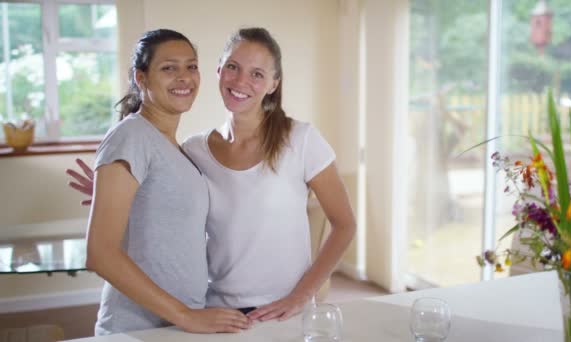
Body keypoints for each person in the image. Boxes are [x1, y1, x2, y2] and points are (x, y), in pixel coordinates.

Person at [68, 27, 356, 323]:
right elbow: (165, 207)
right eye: (233, 67)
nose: (241, 81)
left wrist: (301, 296)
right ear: (219, 70)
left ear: (273, 84)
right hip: (218, 310)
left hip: (282, 310)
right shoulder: (194, 150)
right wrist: (118, 193)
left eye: (257, 74)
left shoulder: (301, 139)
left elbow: (344, 224)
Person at [82, 28, 250, 335]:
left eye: (191, 66)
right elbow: (100, 254)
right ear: (141, 78)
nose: (184, 77)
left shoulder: (174, 147)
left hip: (175, 325)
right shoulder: (132, 136)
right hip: (138, 330)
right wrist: (186, 315)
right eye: (169, 68)